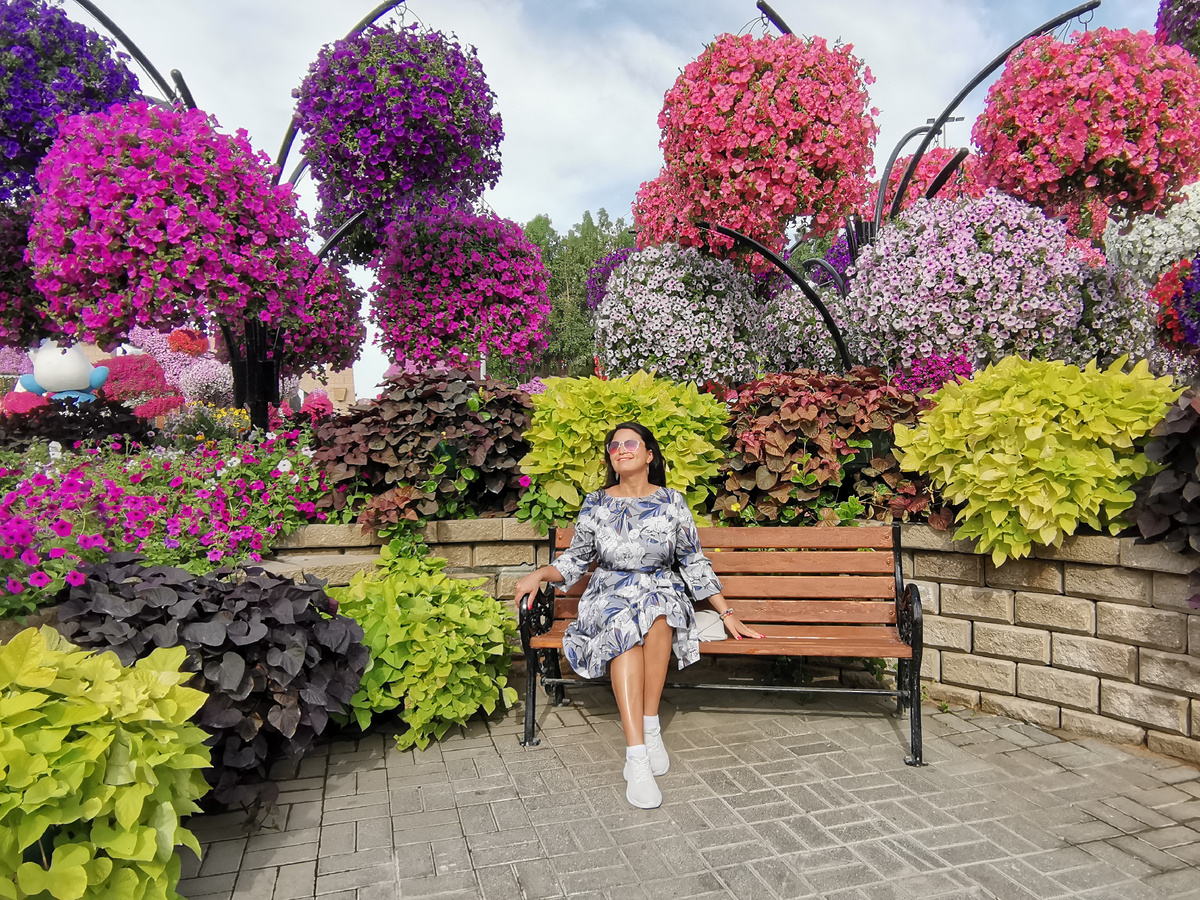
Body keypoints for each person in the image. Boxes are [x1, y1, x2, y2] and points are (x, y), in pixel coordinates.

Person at [513, 422, 762, 810]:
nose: (621, 448)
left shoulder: (672, 502)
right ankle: (637, 755)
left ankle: (649, 726)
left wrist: (725, 612)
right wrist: (541, 574)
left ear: (649, 455)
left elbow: (692, 560)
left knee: (659, 614)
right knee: (622, 625)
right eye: (614, 444)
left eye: (631, 443)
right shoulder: (596, 503)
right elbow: (576, 562)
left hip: (660, 588)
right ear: (610, 457)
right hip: (609, 594)